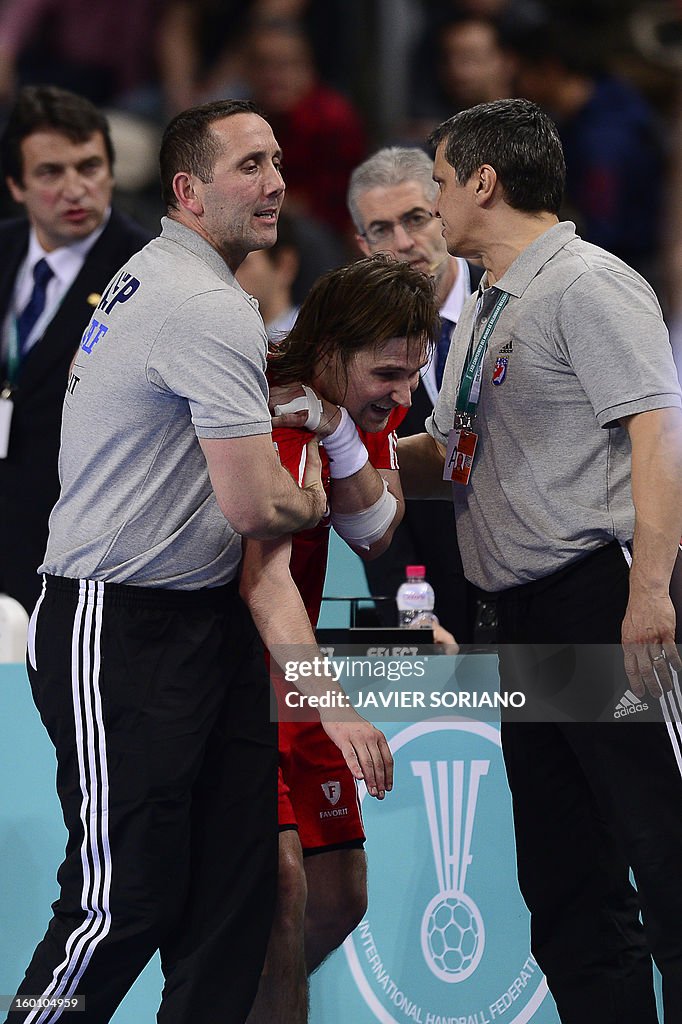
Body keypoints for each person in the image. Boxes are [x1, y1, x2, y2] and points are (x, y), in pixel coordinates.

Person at [3, 98, 335, 1024]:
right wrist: (313, 497)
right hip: (118, 624)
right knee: (124, 902)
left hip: (194, 617)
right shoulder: (200, 302)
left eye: (276, 160)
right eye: (248, 167)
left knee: (234, 899)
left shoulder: (159, 281)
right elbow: (258, 504)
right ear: (188, 190)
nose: (274, 183)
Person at [398, 98, 682, 1023]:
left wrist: (649, 592)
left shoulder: (589, 284)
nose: (433, 201)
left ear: (484, 181)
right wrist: (334, 453)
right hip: (519, 616)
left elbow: (659, 430)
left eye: (438, 181)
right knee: (565, 877)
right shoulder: (489, 298)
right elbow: (450, 458)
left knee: (666, 852)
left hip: (603, 598)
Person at [238, 254, 441, 1023]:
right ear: (328, 353)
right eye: (387, 373)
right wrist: (338, 707)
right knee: (281, 894)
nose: (403, 394)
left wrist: (343, 432)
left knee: (337, 898)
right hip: (230, 683)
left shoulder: (358, 417)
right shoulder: (267, 417)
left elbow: (378, 532)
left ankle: (224, 996)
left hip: (293, 672)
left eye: (414, 375)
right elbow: (264, 580)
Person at [0, 85, 152, 613]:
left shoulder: (146, 269)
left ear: (111, 171)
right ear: (16, 185)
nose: (75, 189)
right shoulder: (3, 248)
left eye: (89, 167)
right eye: (50, 173)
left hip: (80, 554)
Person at [347, 145, 485, 642]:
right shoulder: (355, 356)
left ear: (444, 215)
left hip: (543, 584)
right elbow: (376, 502)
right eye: (382, 230)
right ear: (363, 245)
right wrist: (413, 620)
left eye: (416, 218)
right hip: (439, 603)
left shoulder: (511, 306)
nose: (404, 242)